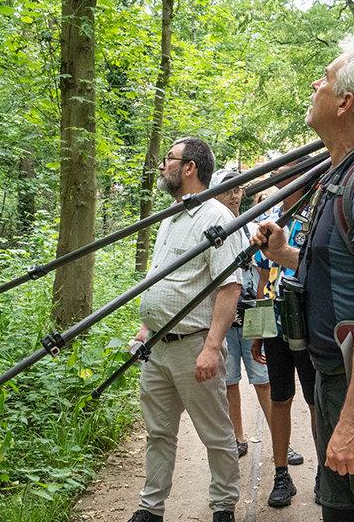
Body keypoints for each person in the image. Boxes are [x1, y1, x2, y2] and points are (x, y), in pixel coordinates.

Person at [251, 30, 354, 522]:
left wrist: (352, 421)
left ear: (347, 102)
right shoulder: (340, 178)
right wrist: (285, 253)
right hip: (336, 382)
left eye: (323, 79)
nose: (314, 85)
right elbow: (339, 273)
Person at [130, 137, 241, 522]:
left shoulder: (217, 219)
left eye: (169, 159)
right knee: (158, 433)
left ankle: (223, 507)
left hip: (193, 346)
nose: (162, 166)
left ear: (190, 167)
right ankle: (150, 508)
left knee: (215, 433)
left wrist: (212, 347)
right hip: (156, 348)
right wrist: (147, 327)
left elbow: (230, 286)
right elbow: (162, 280)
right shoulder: (171, 216)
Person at [250, 161, 315, 509]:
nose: (281, 178)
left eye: (289, 172)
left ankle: (326, 475)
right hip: (275, 322)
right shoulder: (270, 214)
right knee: (280, 397)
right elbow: (262, 281)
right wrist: (258, 331)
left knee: (316, 399)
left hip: (308, 320)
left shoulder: (317, 212)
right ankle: (281, 476)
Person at [211, 170, 274, 460]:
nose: (234, 196)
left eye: (238, 190)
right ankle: (238, 437)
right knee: (230, 380)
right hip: (224, 317)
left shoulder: (253, 224)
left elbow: (266, 271)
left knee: (263, 377)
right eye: (228, 191)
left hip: (253, 311)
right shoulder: (211, 228)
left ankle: (280, 438)